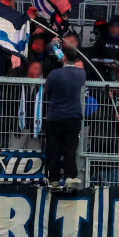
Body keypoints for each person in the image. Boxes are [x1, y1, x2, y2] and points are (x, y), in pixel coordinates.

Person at [43, 46, 86, 191]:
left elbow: (46, 91)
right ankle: (70, 175)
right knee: (70, 148)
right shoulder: (81, 74)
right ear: (77, 59)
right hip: (73, 116)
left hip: (55, 116)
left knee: (53, 148)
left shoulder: (54, 74)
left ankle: (52, 178)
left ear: (63, 57)